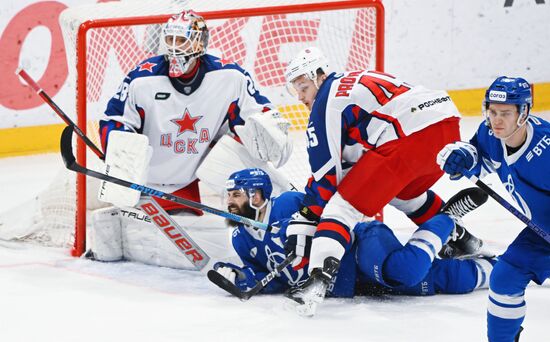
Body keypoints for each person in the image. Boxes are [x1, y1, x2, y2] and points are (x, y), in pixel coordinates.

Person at [281, 47, 488, 315]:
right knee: (394, 192)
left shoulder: (325, 102)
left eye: (303, 87)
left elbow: (326, 179)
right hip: (447, 128)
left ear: (320, 76)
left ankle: (316, 282)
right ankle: (460, 237)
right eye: (295, 89)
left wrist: (308, 215)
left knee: (341, 208)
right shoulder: (353, 80)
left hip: (409, 139)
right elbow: (353, 161)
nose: (300, 97)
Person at [86, 10, 293, 270]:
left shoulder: (230, 77)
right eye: (169, 40)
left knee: (242, 154)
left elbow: (257, 116)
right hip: (143, 183)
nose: (173, 48)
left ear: (199, 43)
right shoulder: (142, 79)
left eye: (181, 41)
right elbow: (114, 120)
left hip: (188, 182)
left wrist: (270, 130)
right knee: (124, 237)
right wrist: (121, 153)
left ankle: (281, 217)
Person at [212, 168, 495, 317]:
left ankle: (446, 220)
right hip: (346, 284)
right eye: (229, 197)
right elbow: (275, 279)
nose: (230, 203)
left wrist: (298, 227)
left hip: (359, 246)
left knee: (405, 270)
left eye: (236, 195)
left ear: (258, 195)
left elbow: (333, 211)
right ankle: (497, 269)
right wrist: (240, 277)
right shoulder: (240, 238)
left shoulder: (288, 203)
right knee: (430, 281)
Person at [437, 76, 550, 342]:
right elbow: (479, 156)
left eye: (505, 113)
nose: (496, 120)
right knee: (505, 278)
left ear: (523, 113)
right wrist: (462, 155)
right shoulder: (491, 134)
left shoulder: (546, 148)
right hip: (541, 234)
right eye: (492, 111)